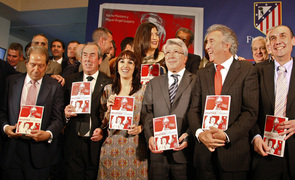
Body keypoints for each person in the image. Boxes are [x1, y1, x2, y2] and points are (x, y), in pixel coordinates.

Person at [187, 24, 259, 180]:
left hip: (233, 155)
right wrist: (200, 134)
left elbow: (250, 111)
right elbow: (193, 109)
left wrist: (226, 135)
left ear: (227, 45)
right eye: (206, 43)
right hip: (204, 155)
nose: (207, 47)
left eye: (211, 41)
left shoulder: (247, 70)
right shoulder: (202, 73)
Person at [0, 45, 64, 180]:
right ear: (26, 63)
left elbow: (58, 118)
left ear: (47, 66)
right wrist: (6, 128)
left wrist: (48, 134)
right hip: (12, 150)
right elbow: (2, 111)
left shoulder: (55, 87)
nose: (36, 69)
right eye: (33, 64)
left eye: (41, 65)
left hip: (40, 153)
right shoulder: (11, 82)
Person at [250, 25, 295, 180]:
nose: (278, 41)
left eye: (283, 36)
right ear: (269, 46)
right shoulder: (256, 71)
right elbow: (248, 109)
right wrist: (255, 136)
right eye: (273, 38)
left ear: (293, 41)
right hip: (265, 153)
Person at [142, 38, 196, 180]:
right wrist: (150, 136)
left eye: (176, 52)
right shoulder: (154, 83)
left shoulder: (196, 81)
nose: (170, 56)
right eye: (167, 53)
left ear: (185, 58)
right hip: (158, 154)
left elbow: (199, 112)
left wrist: (189, 136)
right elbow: (146, 112)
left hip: (184, 154)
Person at [64, 42, 112, 180]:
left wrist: (102, 129)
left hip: (96, 143)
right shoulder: (69, 81)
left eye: (92, 55)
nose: (87, 59)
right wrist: (66, 115)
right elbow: (59, 112)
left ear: (99, 60)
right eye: (85, 55)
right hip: (73, 143)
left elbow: (111, 113)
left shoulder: (109, 82)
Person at [97, 50, 148, 179]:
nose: (125, 65)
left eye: (130, 62)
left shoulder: (144, 90)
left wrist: (140, 128)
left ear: (135, 67)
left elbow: (150, 117)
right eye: (122, 61)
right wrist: (108, 109)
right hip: (111, 148)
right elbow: (103, 123)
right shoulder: (108, 90)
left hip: (135, 149)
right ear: (117, 66)